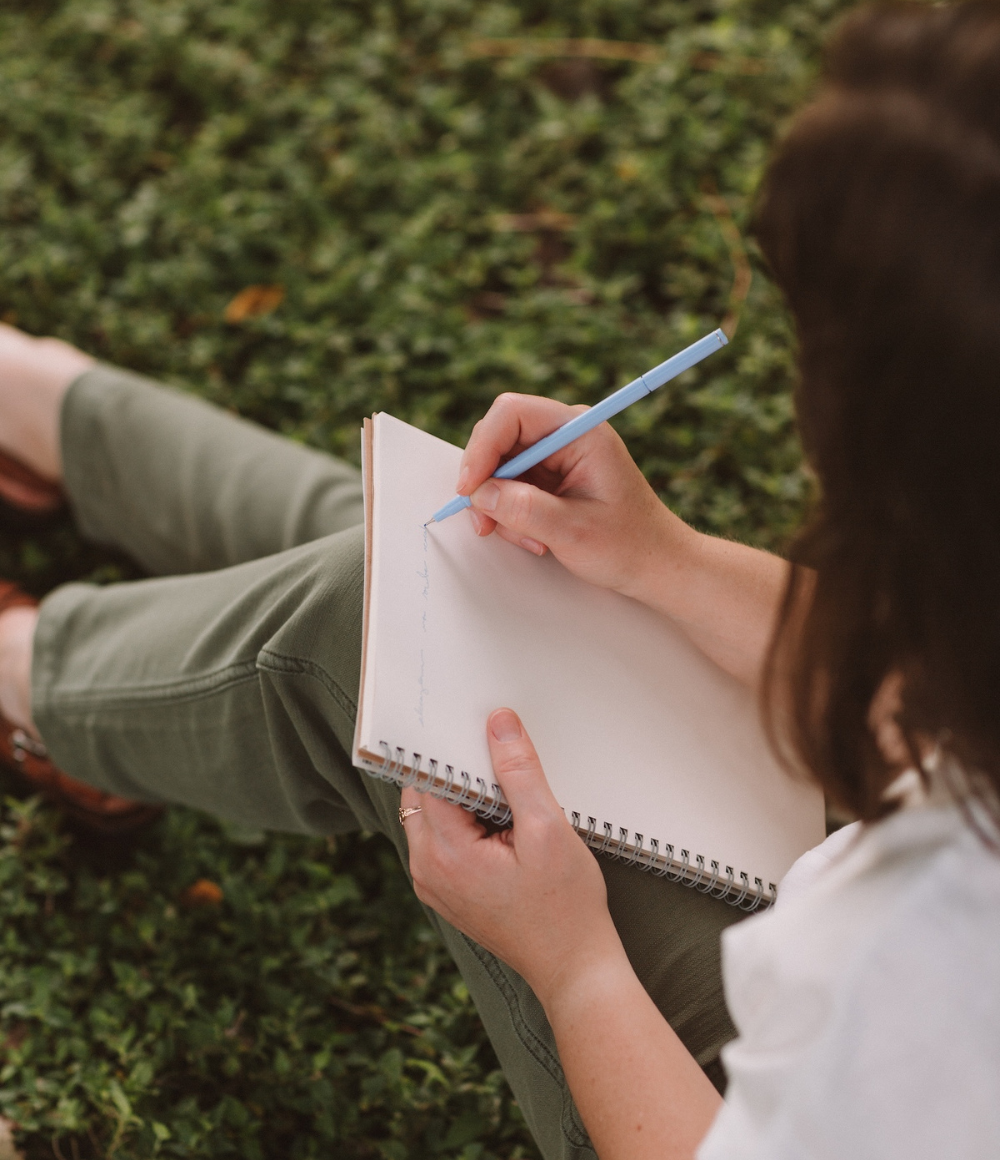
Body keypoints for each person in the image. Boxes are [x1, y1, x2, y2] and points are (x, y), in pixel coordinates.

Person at [0, 1, 997, 1156]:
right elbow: (933, 684)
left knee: (369, 626)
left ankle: (30, 676)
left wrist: (572, 966)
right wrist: (656, 558)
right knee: (463, 570)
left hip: (716, 1105)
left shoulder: (919, 974)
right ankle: (52, 411)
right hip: (855, 892)